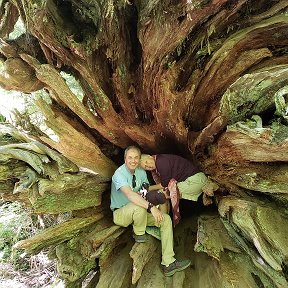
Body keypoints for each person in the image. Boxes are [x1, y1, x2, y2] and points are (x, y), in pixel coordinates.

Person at [110, 146, 191, 276]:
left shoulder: (141, 172)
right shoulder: (118, 174)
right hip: (121, 214)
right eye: (130, 157)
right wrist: (152, 208)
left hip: (140, 214)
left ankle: (168, 262)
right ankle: (139, 232)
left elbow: (144, 191)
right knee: (138, 205)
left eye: (136, 157)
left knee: (165, 219)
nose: (133, 160)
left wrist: (161, 194)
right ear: (125, 159)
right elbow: (131, 195)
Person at [140, 154, 219, 225]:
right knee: (162, 195)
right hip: (194, 180)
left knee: (161, 194)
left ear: (150, 156)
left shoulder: (161, 162)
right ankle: (164, 223)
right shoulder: (159, 162)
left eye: (147, 162)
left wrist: (149, 188)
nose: (148, 166)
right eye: (145, 167)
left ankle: (162, 224)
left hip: (195, 181)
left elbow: (164, 183)